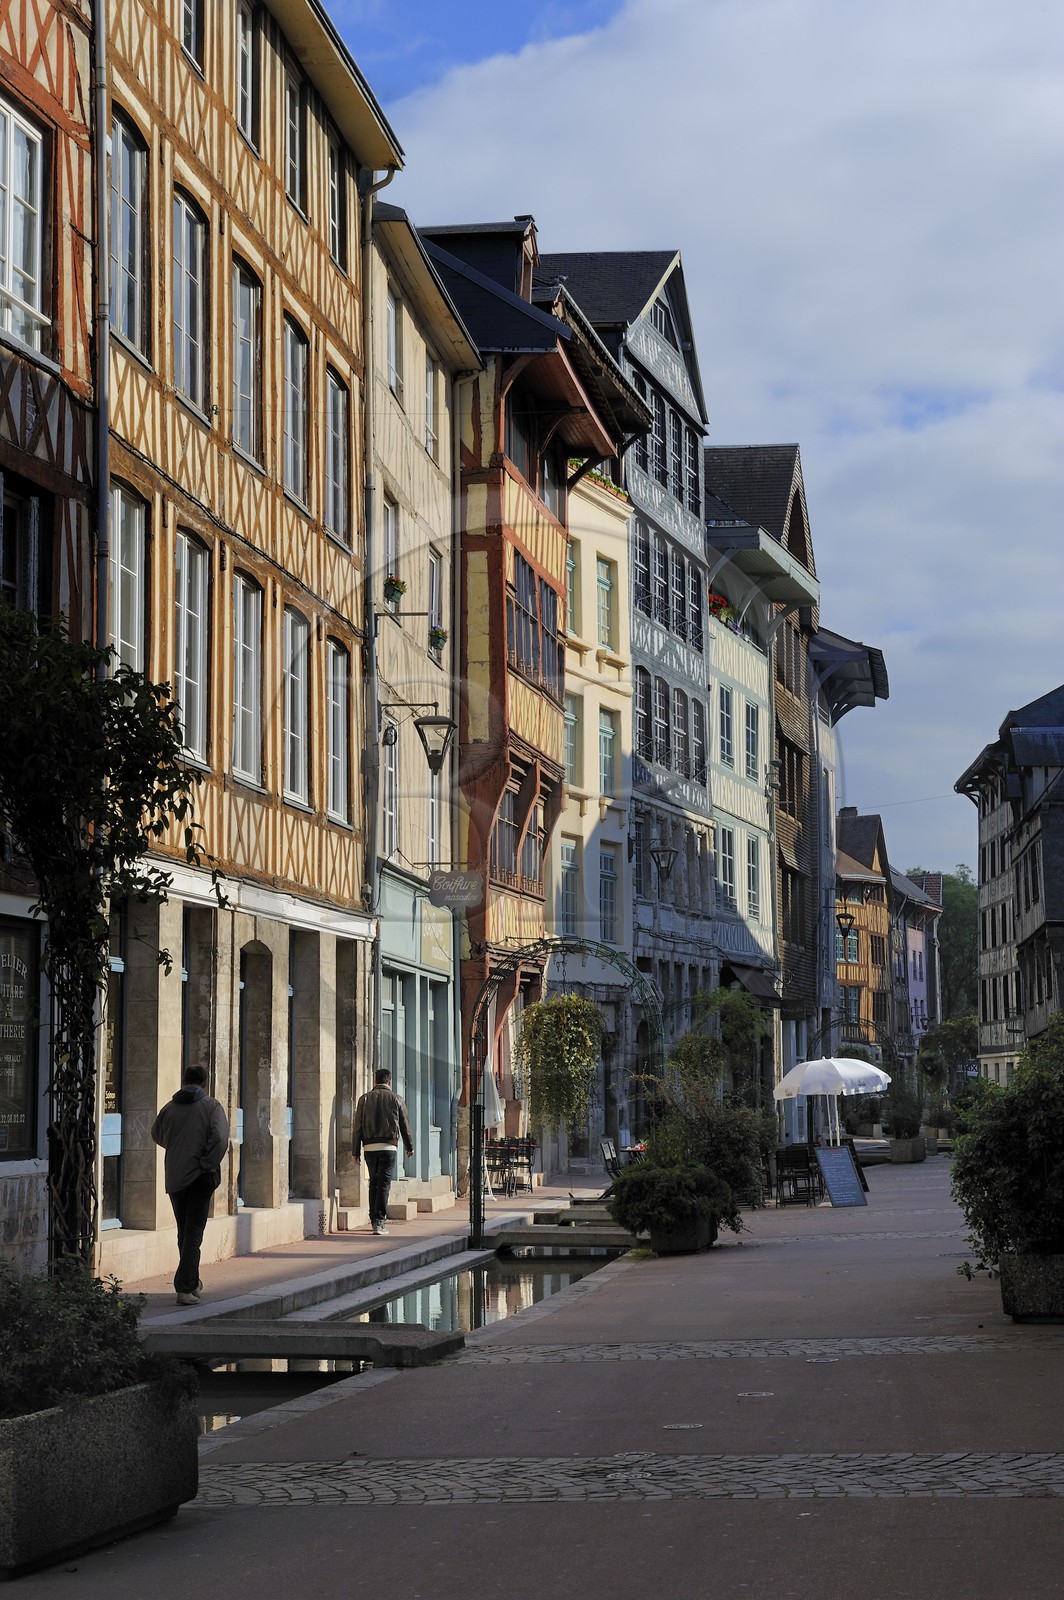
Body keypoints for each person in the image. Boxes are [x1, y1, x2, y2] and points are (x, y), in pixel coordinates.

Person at [151, 1063, 229, 1305]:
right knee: (194, 1232)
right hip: (200, 1176)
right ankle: (185, 1286)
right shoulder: (211, 1106)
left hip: (176, 1176)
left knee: (184, 1231)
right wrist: (206, 1163)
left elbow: (157, 1134)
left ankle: (192, 1281)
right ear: (205, 1082)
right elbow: (220, 1138)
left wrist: (179, 1149)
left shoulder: (169, 1108)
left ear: (183, 1081)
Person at [352, 1066, 414, 1235]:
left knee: (373, 1182)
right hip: (389, 1147)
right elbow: (405, 1125)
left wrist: (355, 1151)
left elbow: (357, 1127)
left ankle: (374, 1219)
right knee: (384, 1183)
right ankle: (379, 1221)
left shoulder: (364, 1099)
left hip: (369, 1147)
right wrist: (409, 1147)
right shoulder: (397, 1099)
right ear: (389, 1082)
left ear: (375, 1081)